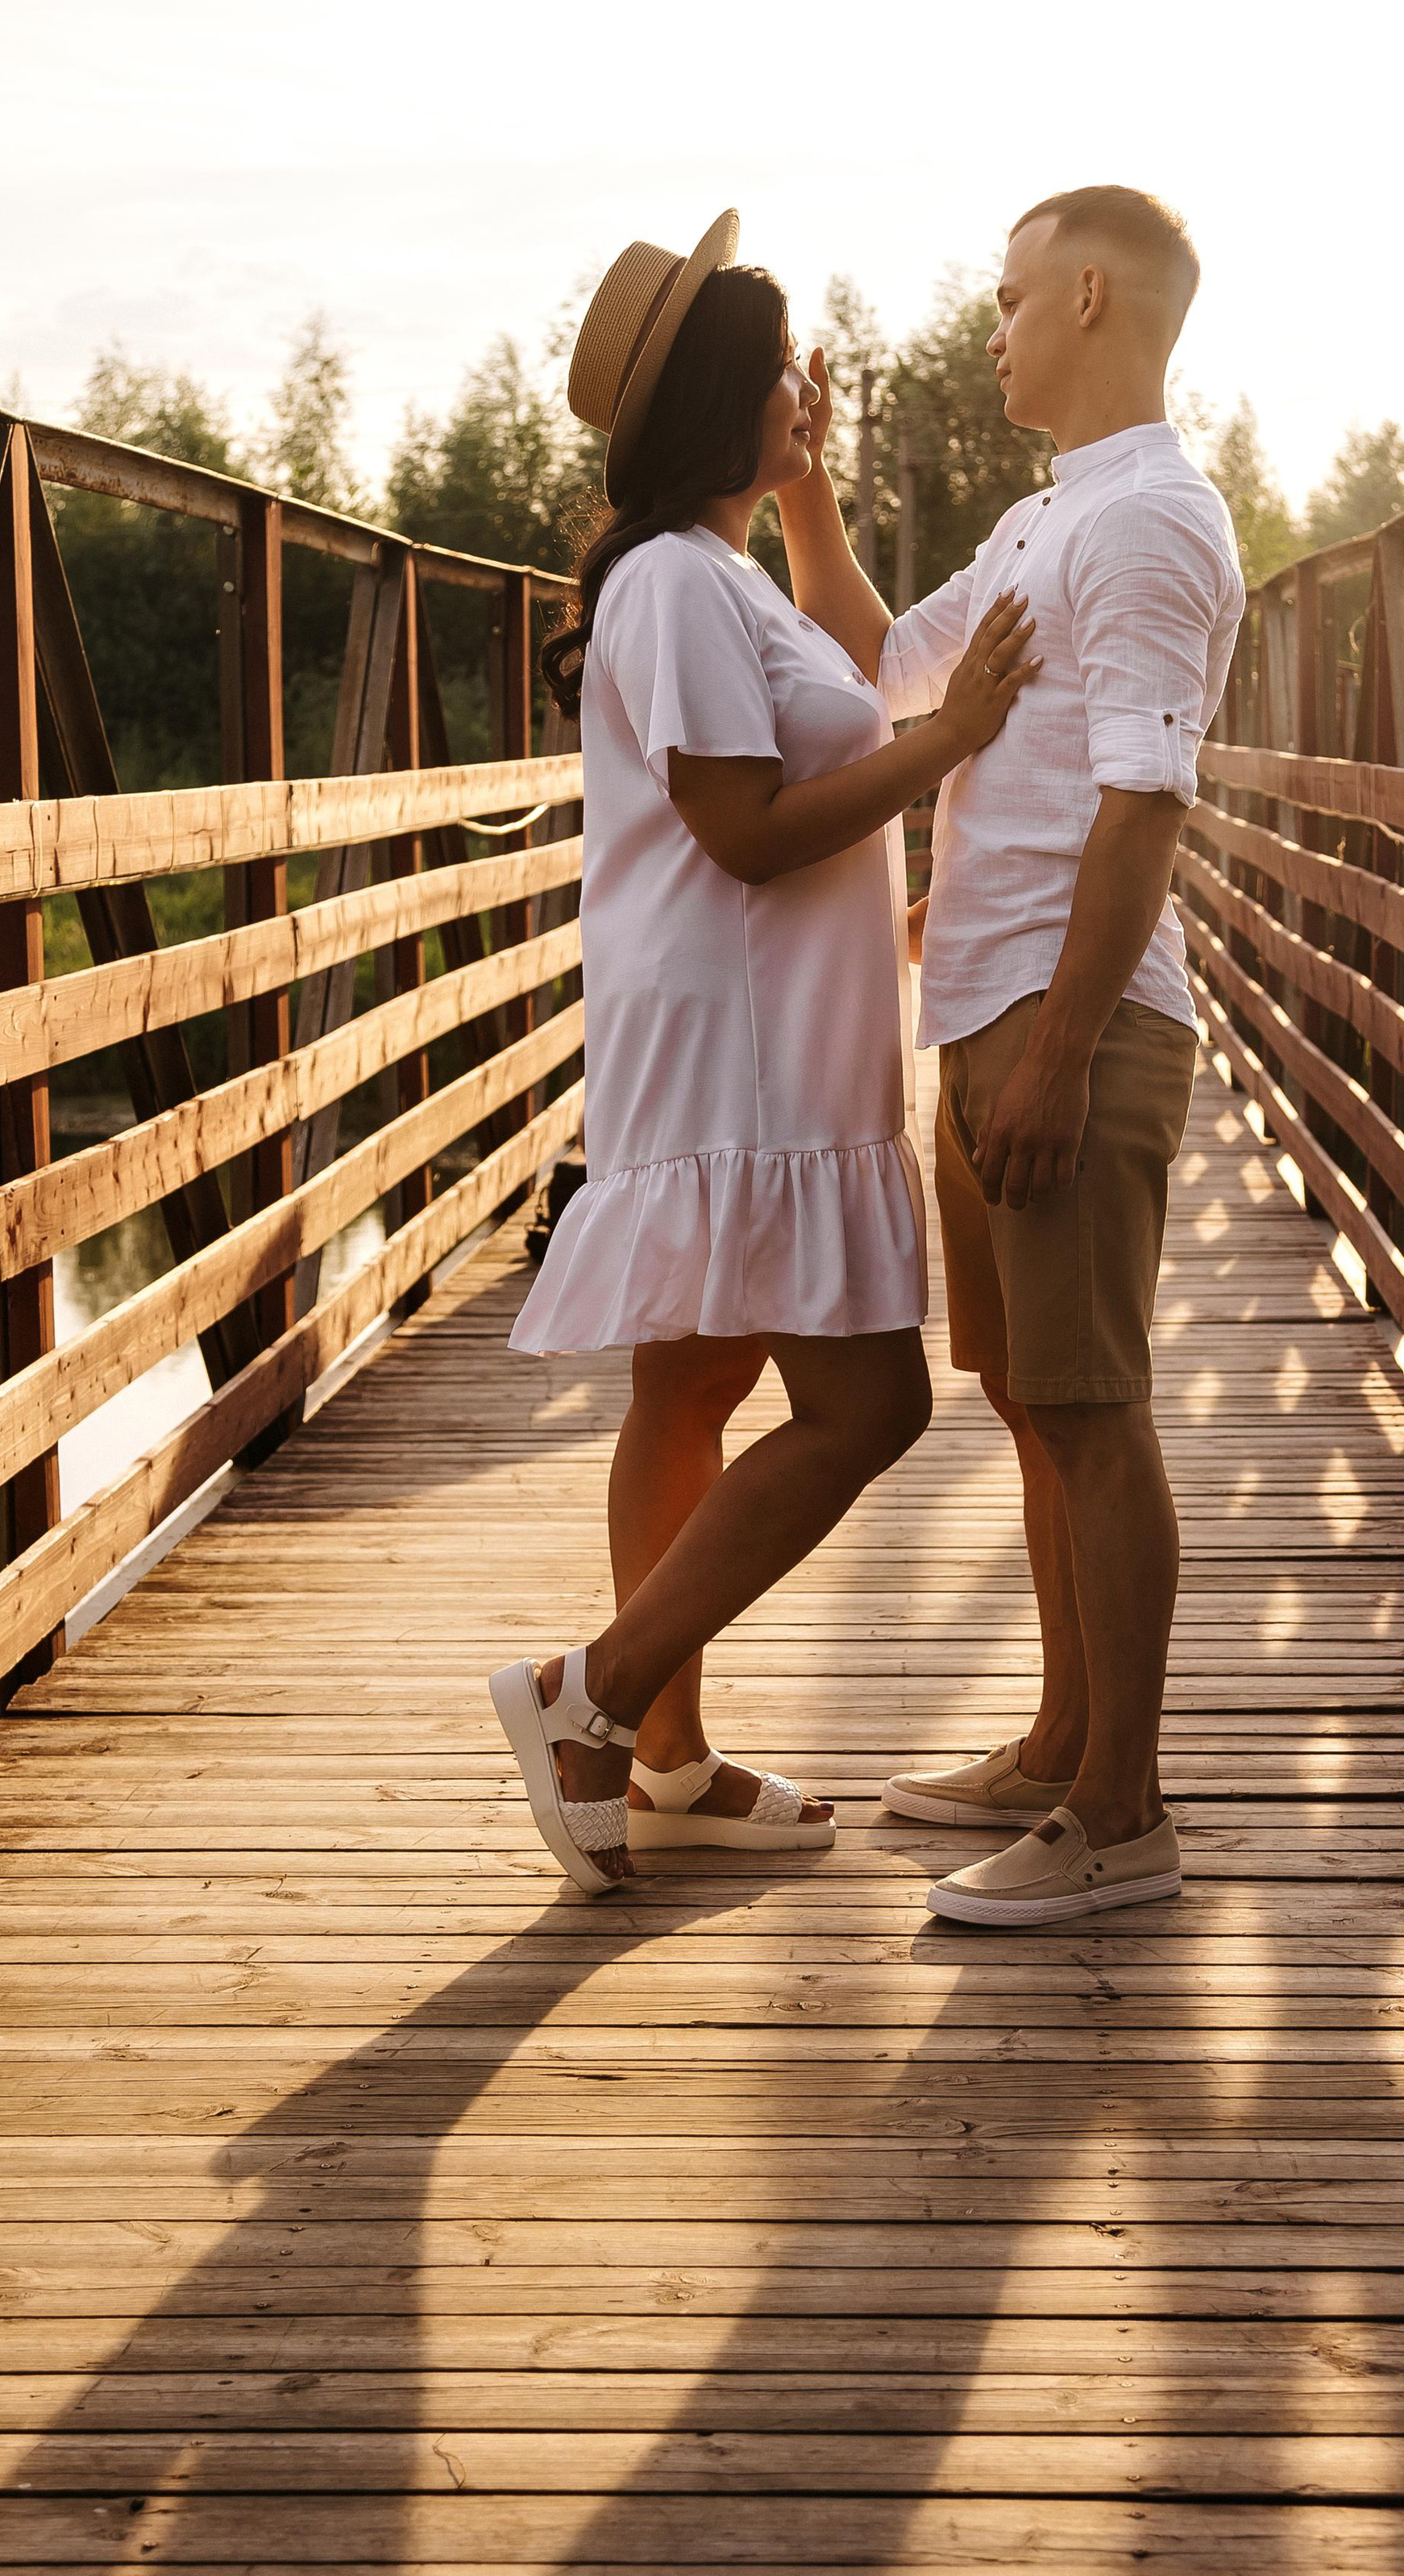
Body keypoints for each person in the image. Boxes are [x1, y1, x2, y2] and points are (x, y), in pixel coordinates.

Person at [492, 212, 1038, 1894]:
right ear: (733, 387)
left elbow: (859, 666)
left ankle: (662, 1766)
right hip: (739, 1042)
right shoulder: (668, 582)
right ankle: (594, 1694)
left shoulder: (720, 572)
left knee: (694, 1383)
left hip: (763, 1037)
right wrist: (950, 745)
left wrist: (806, 489)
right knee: (863, 1402)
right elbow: (738, 829)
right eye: (785, 361)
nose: (808, 382)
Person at [775, 185, 1243, 1927]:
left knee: (1093, 1409)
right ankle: (1057, 1748)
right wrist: (809, 492)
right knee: (1032, 1404)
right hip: (984, 1009)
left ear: (1091, 294)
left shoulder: (1147, 528)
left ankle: (1120, 1818)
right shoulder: (1049, 518)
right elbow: (882, 672)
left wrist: (1054, 1055)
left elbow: (1145, 806)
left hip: (1073, 1022)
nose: (989, 326)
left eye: (1007, 294)